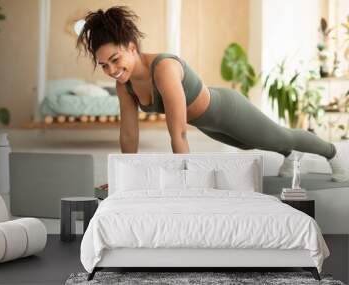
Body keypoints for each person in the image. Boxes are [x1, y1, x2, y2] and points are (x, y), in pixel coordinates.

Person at [76, 6, 349, 182]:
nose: (111, 69)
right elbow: (129, 133)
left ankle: (333, 153)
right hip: (207, 123)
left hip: (226, 109)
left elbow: (178, 132)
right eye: (104, 65)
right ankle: (290, 155)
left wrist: (186, 179)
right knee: (247, 144)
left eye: (115, 59)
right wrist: (123, 177)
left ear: (132, 47)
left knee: (279, 135)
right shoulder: (125, 84)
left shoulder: (164, 68)